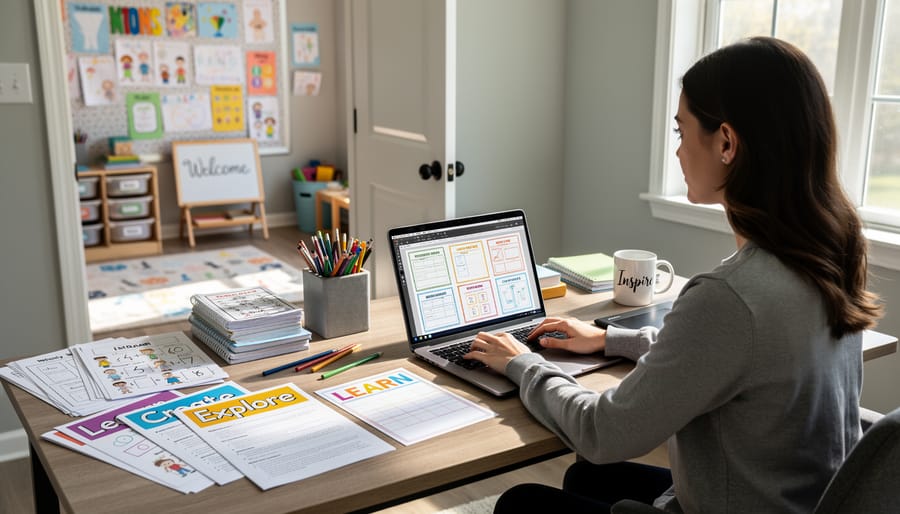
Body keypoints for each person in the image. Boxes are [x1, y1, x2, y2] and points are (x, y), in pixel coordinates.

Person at [464, 36, 882, 513]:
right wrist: (613, 340)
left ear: (727, 142)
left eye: (682, 132)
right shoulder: (832, 254)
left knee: (523, 502)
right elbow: (743, 357)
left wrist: (523, 364)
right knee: (587, 477)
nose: (679, 152)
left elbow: (603, 432)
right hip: (797, 499)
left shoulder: (729, 295)